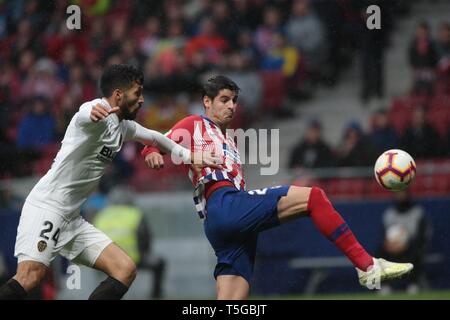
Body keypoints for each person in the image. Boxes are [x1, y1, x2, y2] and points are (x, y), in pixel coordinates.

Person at [142, 75, 414, 299]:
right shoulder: (195, 124)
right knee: (314, 198)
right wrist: (152, 152)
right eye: (224, 100)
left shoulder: (230, 141)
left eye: (234, 101)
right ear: (206, 102)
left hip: (223, 222)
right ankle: (367, 266)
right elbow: (156, 140)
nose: (231, 106)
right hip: (225, 205)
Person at [0, 64, 220, 300]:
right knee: (30, 278)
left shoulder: (123, 127)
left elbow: (155, 137)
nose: (142, 99)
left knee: (124, 270)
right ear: (118, 95)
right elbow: (85, 112)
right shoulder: (94, 115)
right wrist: (92, 111)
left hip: (71, 219)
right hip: (47, 208)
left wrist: (189, 156)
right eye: (137, 93)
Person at [93, 186, 166, 299]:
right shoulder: (135, 214)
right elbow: (145, 238)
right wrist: (144, 254)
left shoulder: (101, 215)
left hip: (105, 260)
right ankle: (155, 296)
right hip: (132, 259)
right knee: (159, 263)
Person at [379, 190, 432, 293]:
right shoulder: (389, 214)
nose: (400, 197)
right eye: (398, 195)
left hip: (411, 246)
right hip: (392, 247)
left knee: (416, 251)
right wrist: (389, 245)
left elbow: (422, 235)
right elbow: (384, 235)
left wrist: (405, 245)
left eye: (402, 194)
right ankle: (385, 285)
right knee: (380, 253)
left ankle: (414, 284)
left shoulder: (417, 212)